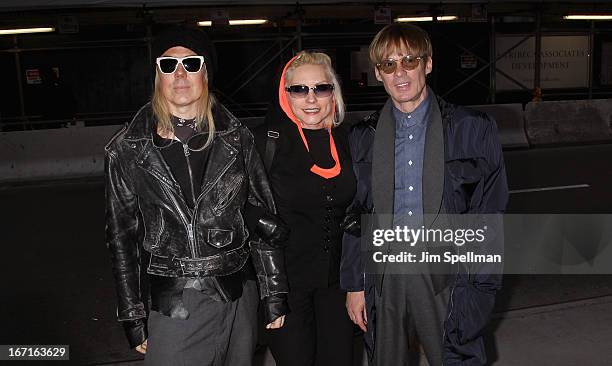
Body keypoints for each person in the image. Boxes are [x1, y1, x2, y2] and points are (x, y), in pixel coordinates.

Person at [104, 25, 289, 366]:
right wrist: (132, 314)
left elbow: (261, 215)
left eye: (191, 64)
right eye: (168, 65)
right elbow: (121, 239)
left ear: (206, 74)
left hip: (237, 293)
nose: (179, 74)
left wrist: (273, 291)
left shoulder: (237, 139)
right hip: (175, 301)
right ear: (157, 76)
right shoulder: (127, 150)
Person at [341, 23, 508, 365]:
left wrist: (481, 289)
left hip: (447, 274)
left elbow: (489, 214)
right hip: (385, 274)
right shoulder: (363, 137)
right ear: (378, 73)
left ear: (428, 64)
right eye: (389, 64)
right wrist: (355, 284)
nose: (400, 72)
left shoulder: (472, 128)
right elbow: (356, 214)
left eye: (409, 61)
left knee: (457, 358)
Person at [252, 51, 357, 366]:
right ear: (286, 95)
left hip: (338, 286)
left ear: (332, 92)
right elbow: (233, 205)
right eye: (299, 89)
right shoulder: (264, 141)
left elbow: (368, 205)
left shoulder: (352, 139)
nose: (310, 98)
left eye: (320, 88)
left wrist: (360, 283)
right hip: (285, 286)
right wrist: (270, 295)